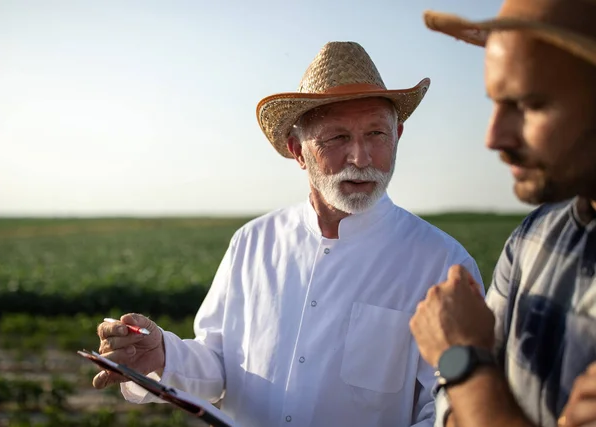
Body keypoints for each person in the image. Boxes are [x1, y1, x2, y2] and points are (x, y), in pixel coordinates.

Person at [94, 41, 483, 427]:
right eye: (337, 138)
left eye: (377, 135)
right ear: (298, 150)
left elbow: (451, 406)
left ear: (398, 134)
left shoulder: (442, 264)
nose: (362, 158)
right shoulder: (252, 242)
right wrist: (162, 355)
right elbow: (219, 365)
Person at [409, 1, 596, 427]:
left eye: (529, 105)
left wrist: (462, 361)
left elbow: (467, 399)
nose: (493, 136)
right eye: (495, 102)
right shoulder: (532, 239)